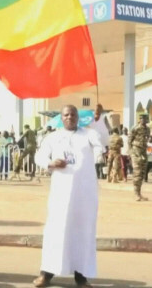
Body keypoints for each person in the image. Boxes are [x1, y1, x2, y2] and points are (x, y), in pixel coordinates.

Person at [33, 105, 102, 288]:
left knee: (82, 232)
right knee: (56, 231)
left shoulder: (88, 134)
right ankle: (46, 274)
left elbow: (100, 145)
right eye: (66, 115)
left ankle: (81, 277)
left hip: (84, 194)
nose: (70, 117)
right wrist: (50, 163)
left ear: (77, 117)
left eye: (73, 114)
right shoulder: (53, 137)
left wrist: (97, 119)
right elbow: (39, 156)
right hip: (60, 194)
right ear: (61, 118)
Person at [129, 114, 150, 201]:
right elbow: (129, 140)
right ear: (139, 119)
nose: (143, 120)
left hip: (143, 151)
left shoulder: (148, 129)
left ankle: (139, 193)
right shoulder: (135, 128)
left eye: (145, 118)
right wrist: (131, 152)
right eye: (141, 118)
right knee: (137, 172)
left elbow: (147, 139)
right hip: (136, 151)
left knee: (142, 173)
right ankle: (136, 193)